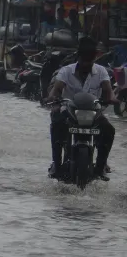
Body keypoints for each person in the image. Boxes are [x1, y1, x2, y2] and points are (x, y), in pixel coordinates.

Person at [45, 36, 116, 180]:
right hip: (69, 112)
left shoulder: (101, 71)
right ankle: (56, 165)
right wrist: (53, 98)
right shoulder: (66, 71)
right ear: (79, 57)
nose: (87, 64)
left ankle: (101, 166)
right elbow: (57, 89)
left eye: (90, 60)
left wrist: (112, 98)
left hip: (93, 113)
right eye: (84, 60)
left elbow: (108, 91)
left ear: (94, 58)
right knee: (57, 124)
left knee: (109, 130)